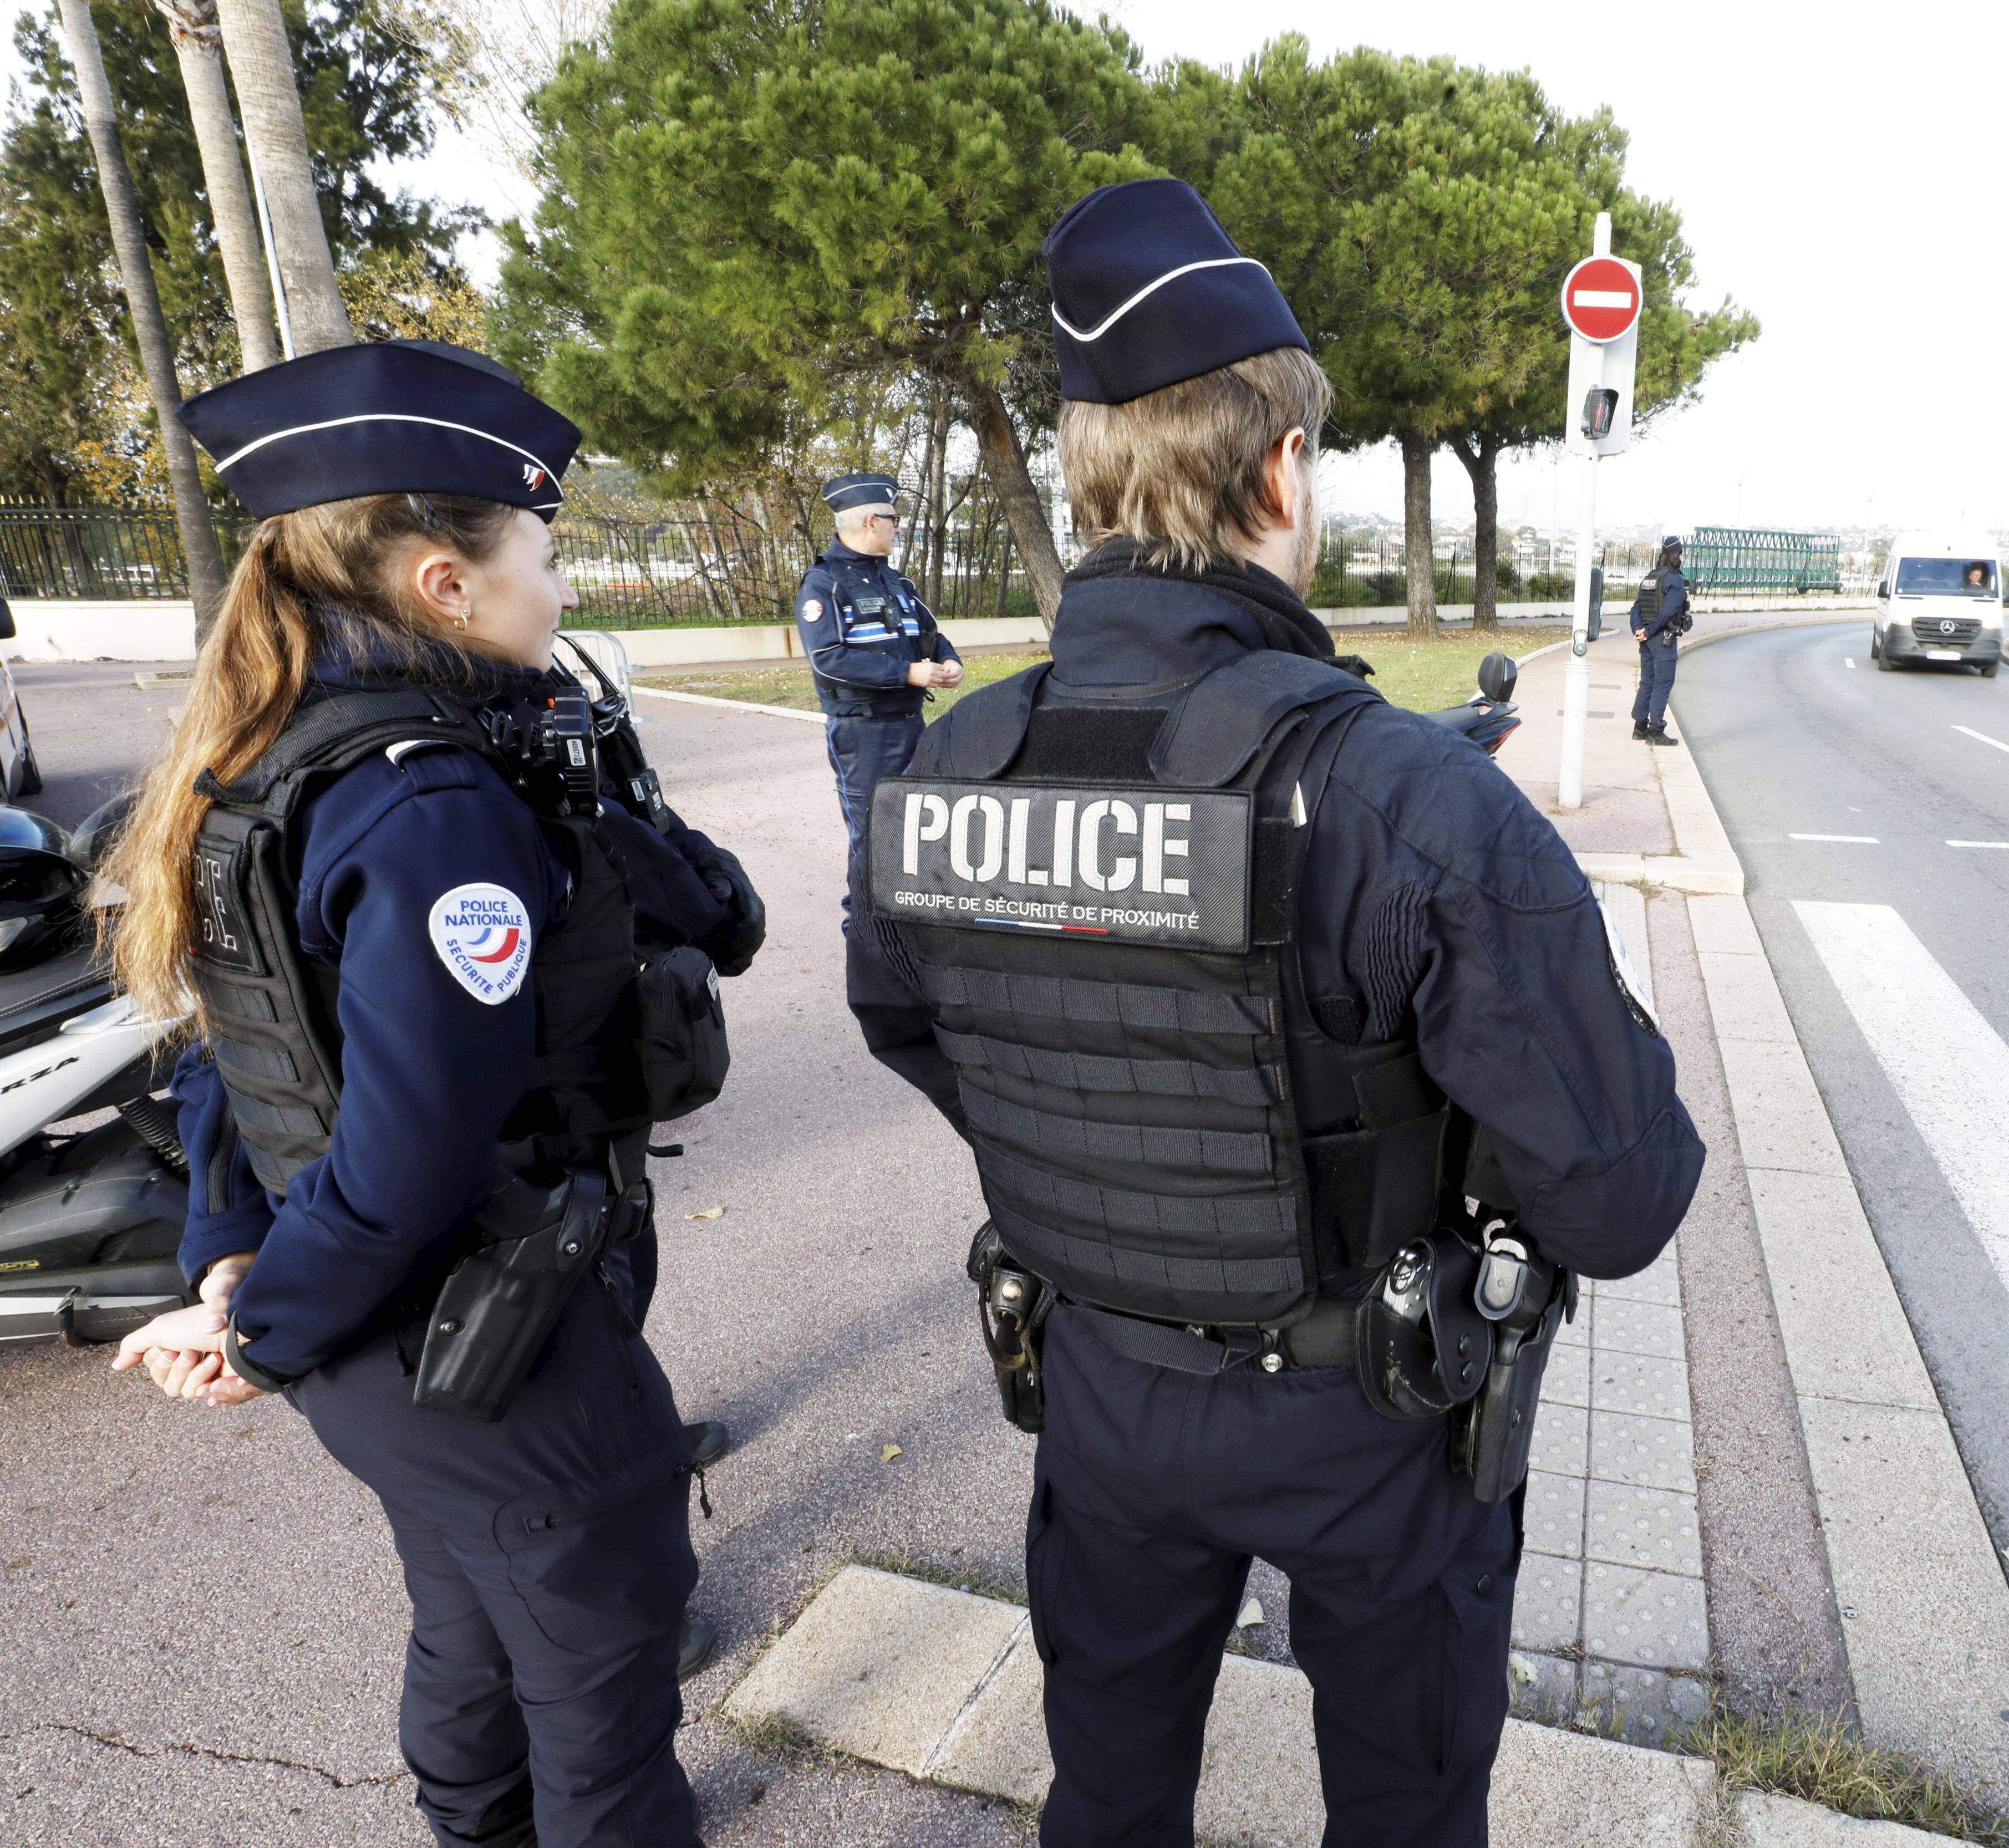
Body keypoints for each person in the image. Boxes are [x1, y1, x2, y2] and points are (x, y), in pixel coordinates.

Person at [846, 177, 1703, 1848]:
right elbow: (1618, 1197)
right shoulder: (1404, 799)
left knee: (1103, 1792)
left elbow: (909, 1023)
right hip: (1368, 1410)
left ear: (1096, 473)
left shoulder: (954, 760)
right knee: (1400, 1810)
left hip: (1094, 1380)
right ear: (1281, 470)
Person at [103, 339, 765, 1848]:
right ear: (441, 584)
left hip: (382, 1342)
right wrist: (254, 1322)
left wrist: (233, 1259)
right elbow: (409, 1151)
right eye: (541, 551)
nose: (562, 588)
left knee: (469, 1622)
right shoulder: (432, 804)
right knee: (601, 1676)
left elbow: (228, 1043)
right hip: (481, 1333)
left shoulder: (274, 754)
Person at [796, 474, 963, 895]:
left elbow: (928, 633)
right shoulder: (824, 585)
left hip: (911, 724)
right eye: (893, 518)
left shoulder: (896, 582)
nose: (898, 525)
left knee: (919, 831)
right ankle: (867, 939)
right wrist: (906, 673)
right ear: (871, 521)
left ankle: (908, 927)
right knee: (873, 839)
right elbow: (828, 660)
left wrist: (949, 659)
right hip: (862, 733)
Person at [1629, 536, 1691, 745]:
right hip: (1661, 638)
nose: (1682, 558)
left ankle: (1640, 727)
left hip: (1646, 640)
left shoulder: (1650, 577)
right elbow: (1667, 612)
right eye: (1681, 554)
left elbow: (1636, 607)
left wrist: (1639, 630)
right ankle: (1656, 731)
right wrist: (1649, 632)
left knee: (1647, 682)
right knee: (1663, 683)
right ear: (1676, 555)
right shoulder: (1674, 580)